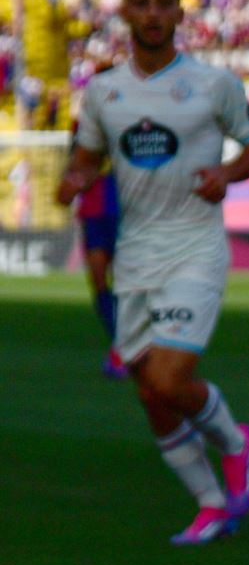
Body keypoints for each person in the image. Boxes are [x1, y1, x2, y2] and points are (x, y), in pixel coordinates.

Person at [57, 0, 249, 545]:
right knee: (151, 394)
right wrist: (74, 178)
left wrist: (227, 172)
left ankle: (234, 442)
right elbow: (86, 157)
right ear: (126, 11)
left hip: (195, 247)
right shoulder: (103, 91)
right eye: (141, 2)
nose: (152, 13)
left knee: (172, 378)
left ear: (179, 11)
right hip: (136, 255)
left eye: (162, 3)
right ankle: (210, 504)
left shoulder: (213, 84)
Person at [70, 123, 126, 377]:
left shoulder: (122, 134)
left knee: (127, 284)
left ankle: (126, 349)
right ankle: (121, 345)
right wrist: (76, 182)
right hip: (93, 216)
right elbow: (64, 191)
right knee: (99, 282)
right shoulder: (83, 140)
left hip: (121, 213)